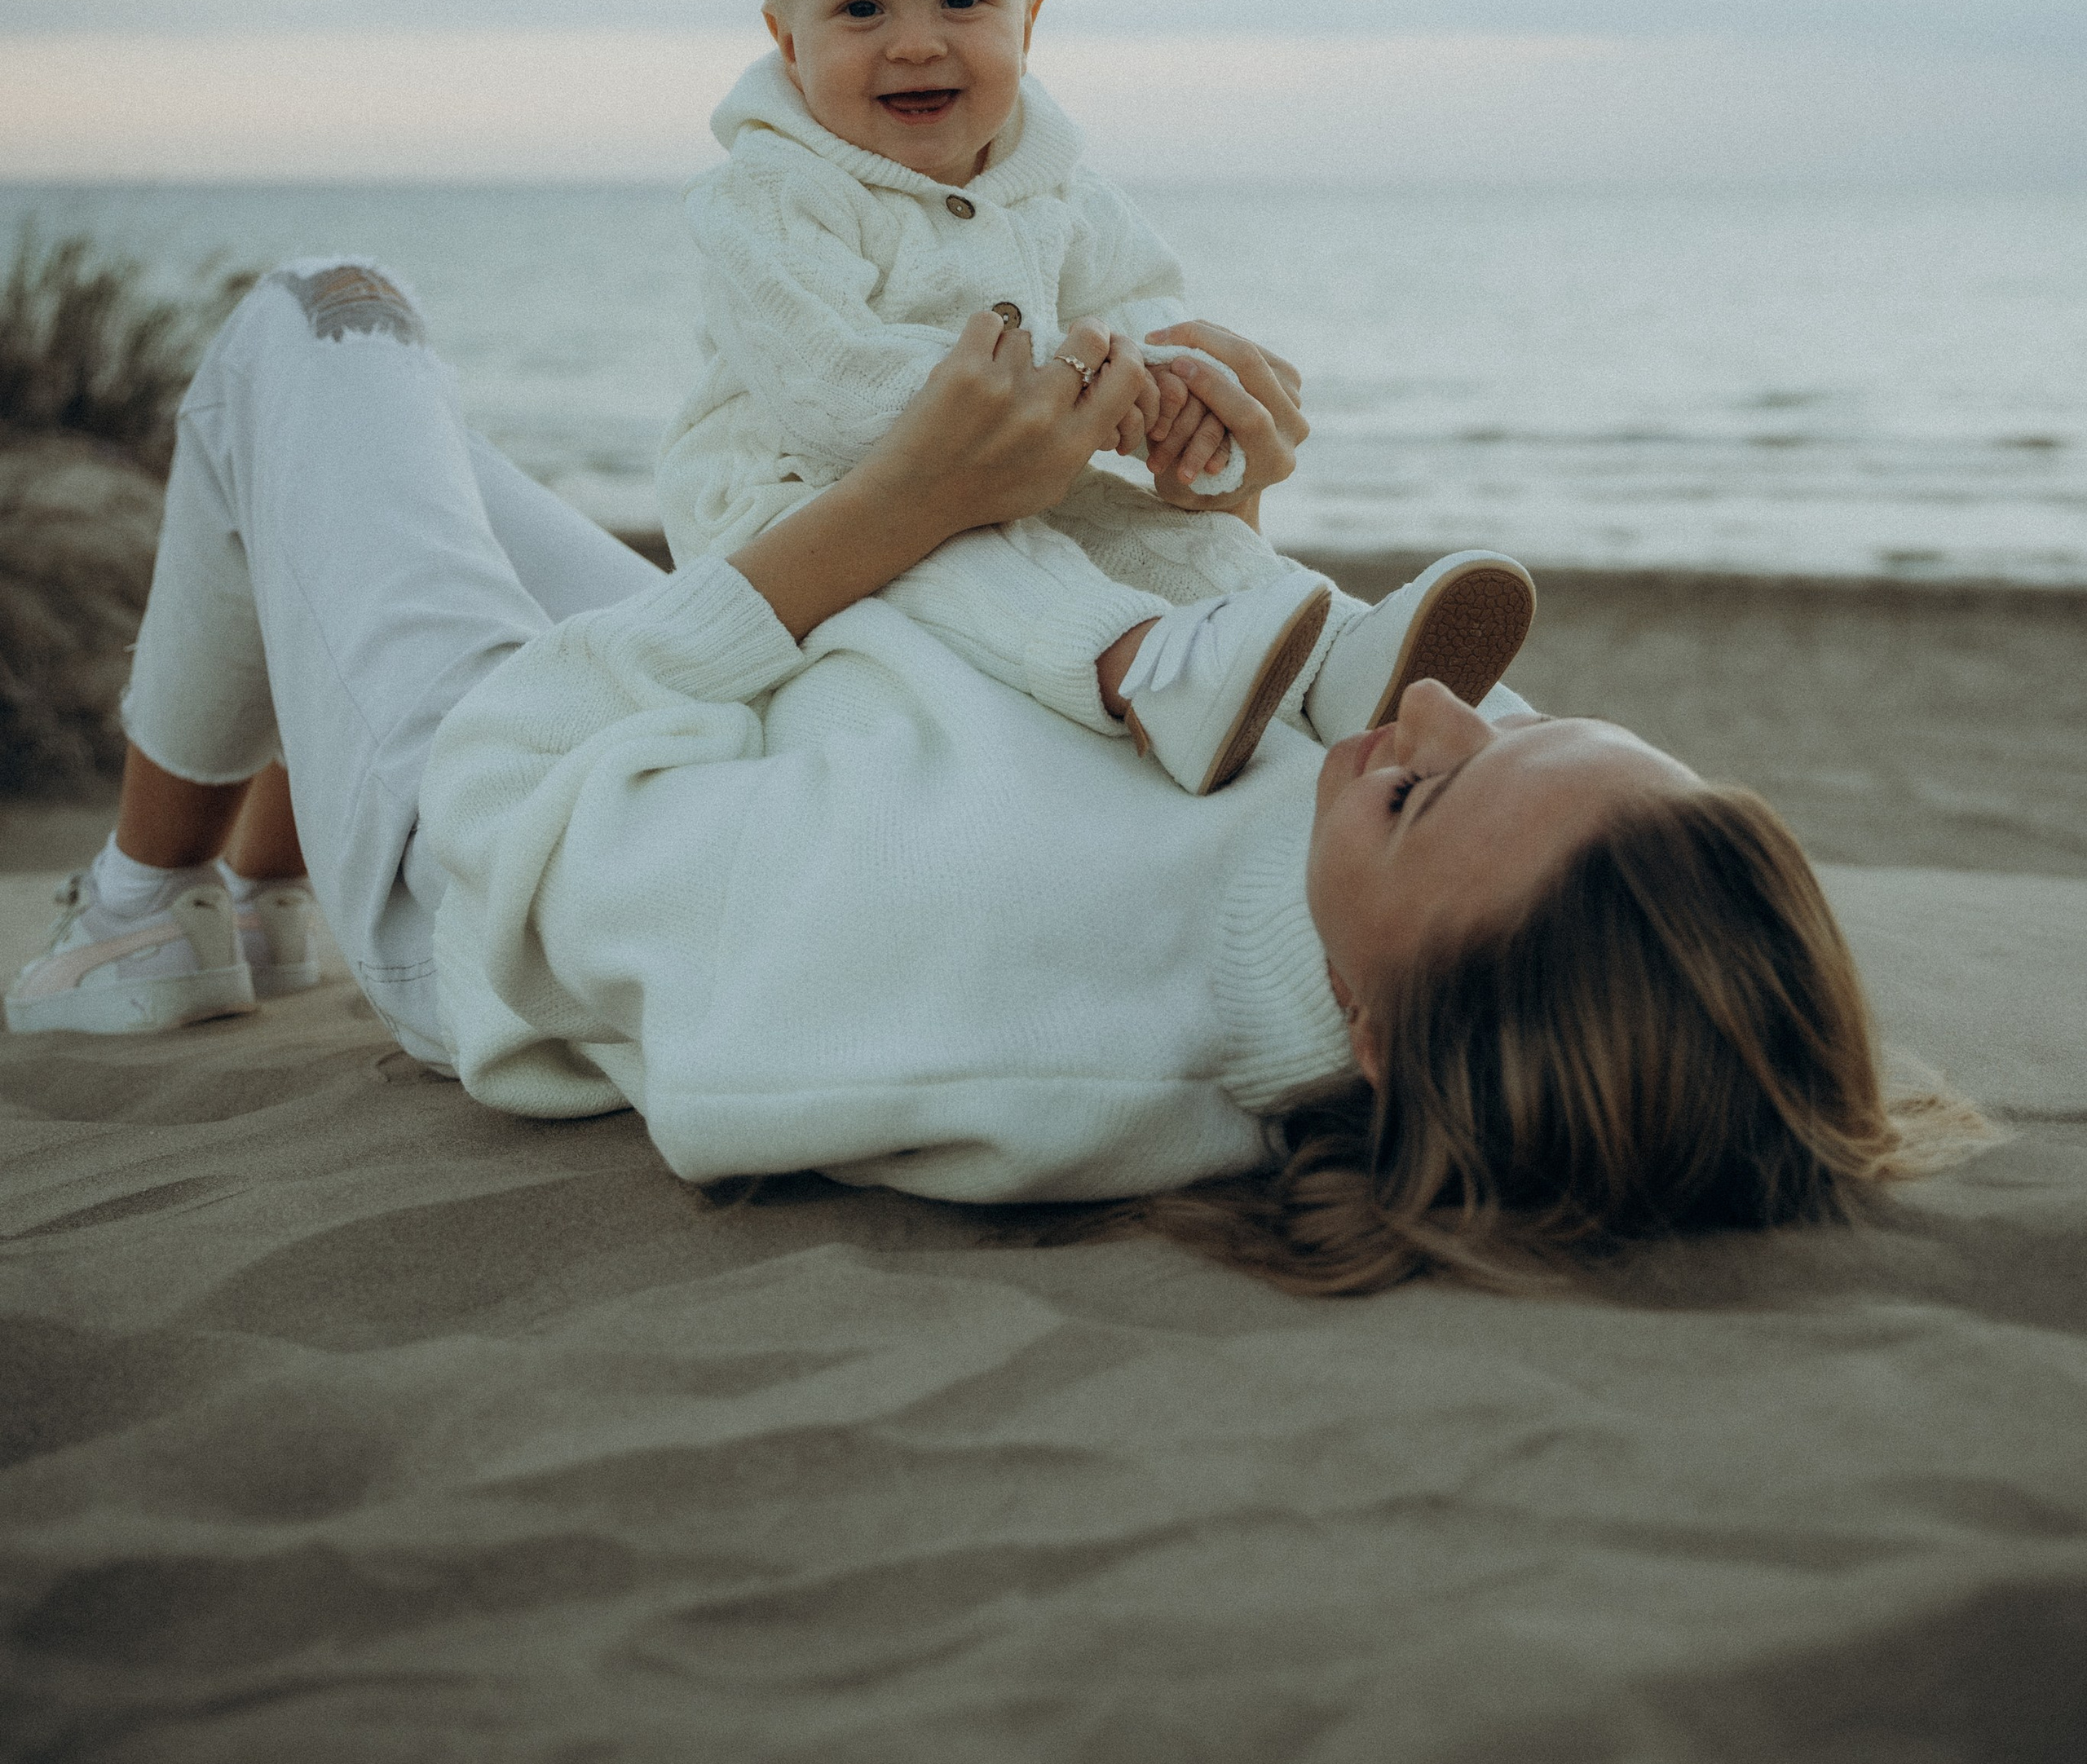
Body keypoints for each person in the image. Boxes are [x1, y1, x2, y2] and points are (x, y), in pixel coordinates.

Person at [6, 263, 1975, 1294]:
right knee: (388, 460)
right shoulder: (1345, 858)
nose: (1420, 720)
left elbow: (528, 809)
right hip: (766, 708)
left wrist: (868, 518)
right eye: (1513, 714)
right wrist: (1202, 497)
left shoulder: (970, 988)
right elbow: (1110, 715)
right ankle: (245, 858)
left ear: (1376, 1039)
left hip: (504, 864)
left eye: (1418, 793)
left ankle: (142, 912)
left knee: (317, 325)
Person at [658, 0, 1536, 794]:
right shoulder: (769, 195)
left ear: (1027, 22)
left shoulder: (1060, 192)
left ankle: (1341, 655)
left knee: (1174, 539)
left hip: (1028, 474)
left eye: (960, 2)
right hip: (803, 501)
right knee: (966, 567)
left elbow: (1138, 318)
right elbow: (830, 391)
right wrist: (1064, 404)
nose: (912, 42)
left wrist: (1183, 411)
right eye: (861, 10)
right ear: (786, 42)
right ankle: (1144, 673)